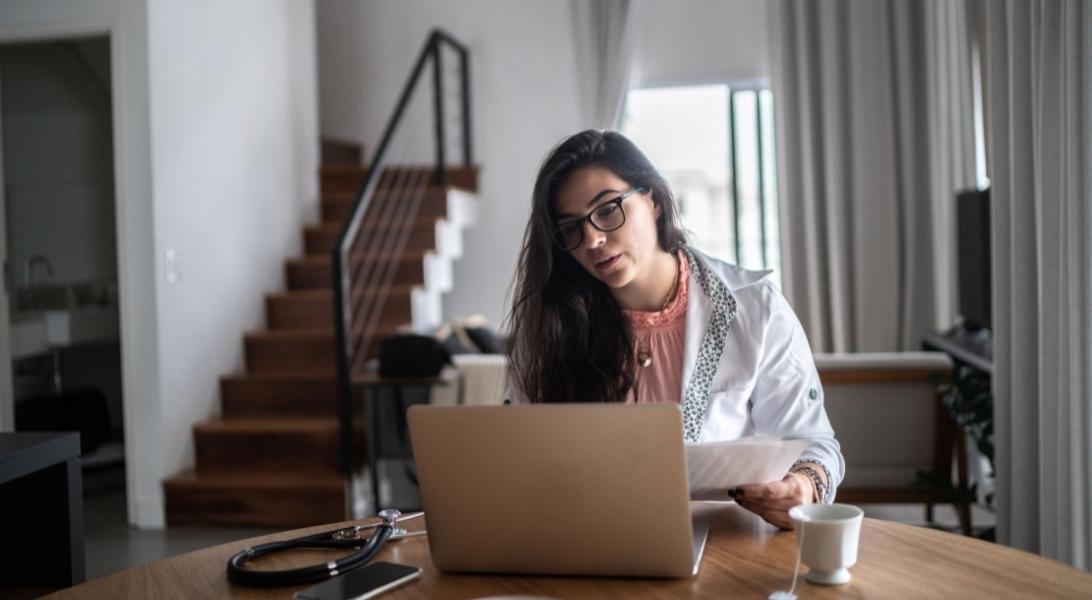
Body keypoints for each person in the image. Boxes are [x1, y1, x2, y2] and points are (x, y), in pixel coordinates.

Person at [504, 129, 844, 529]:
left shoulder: (756, 307)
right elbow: (522, 458)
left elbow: (815, 444)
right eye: (571, 228)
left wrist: (804, 485)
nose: (593, 239)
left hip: (725, 542)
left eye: (608, 209)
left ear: (655, 200)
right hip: (591, 540)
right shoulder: (550, 328)